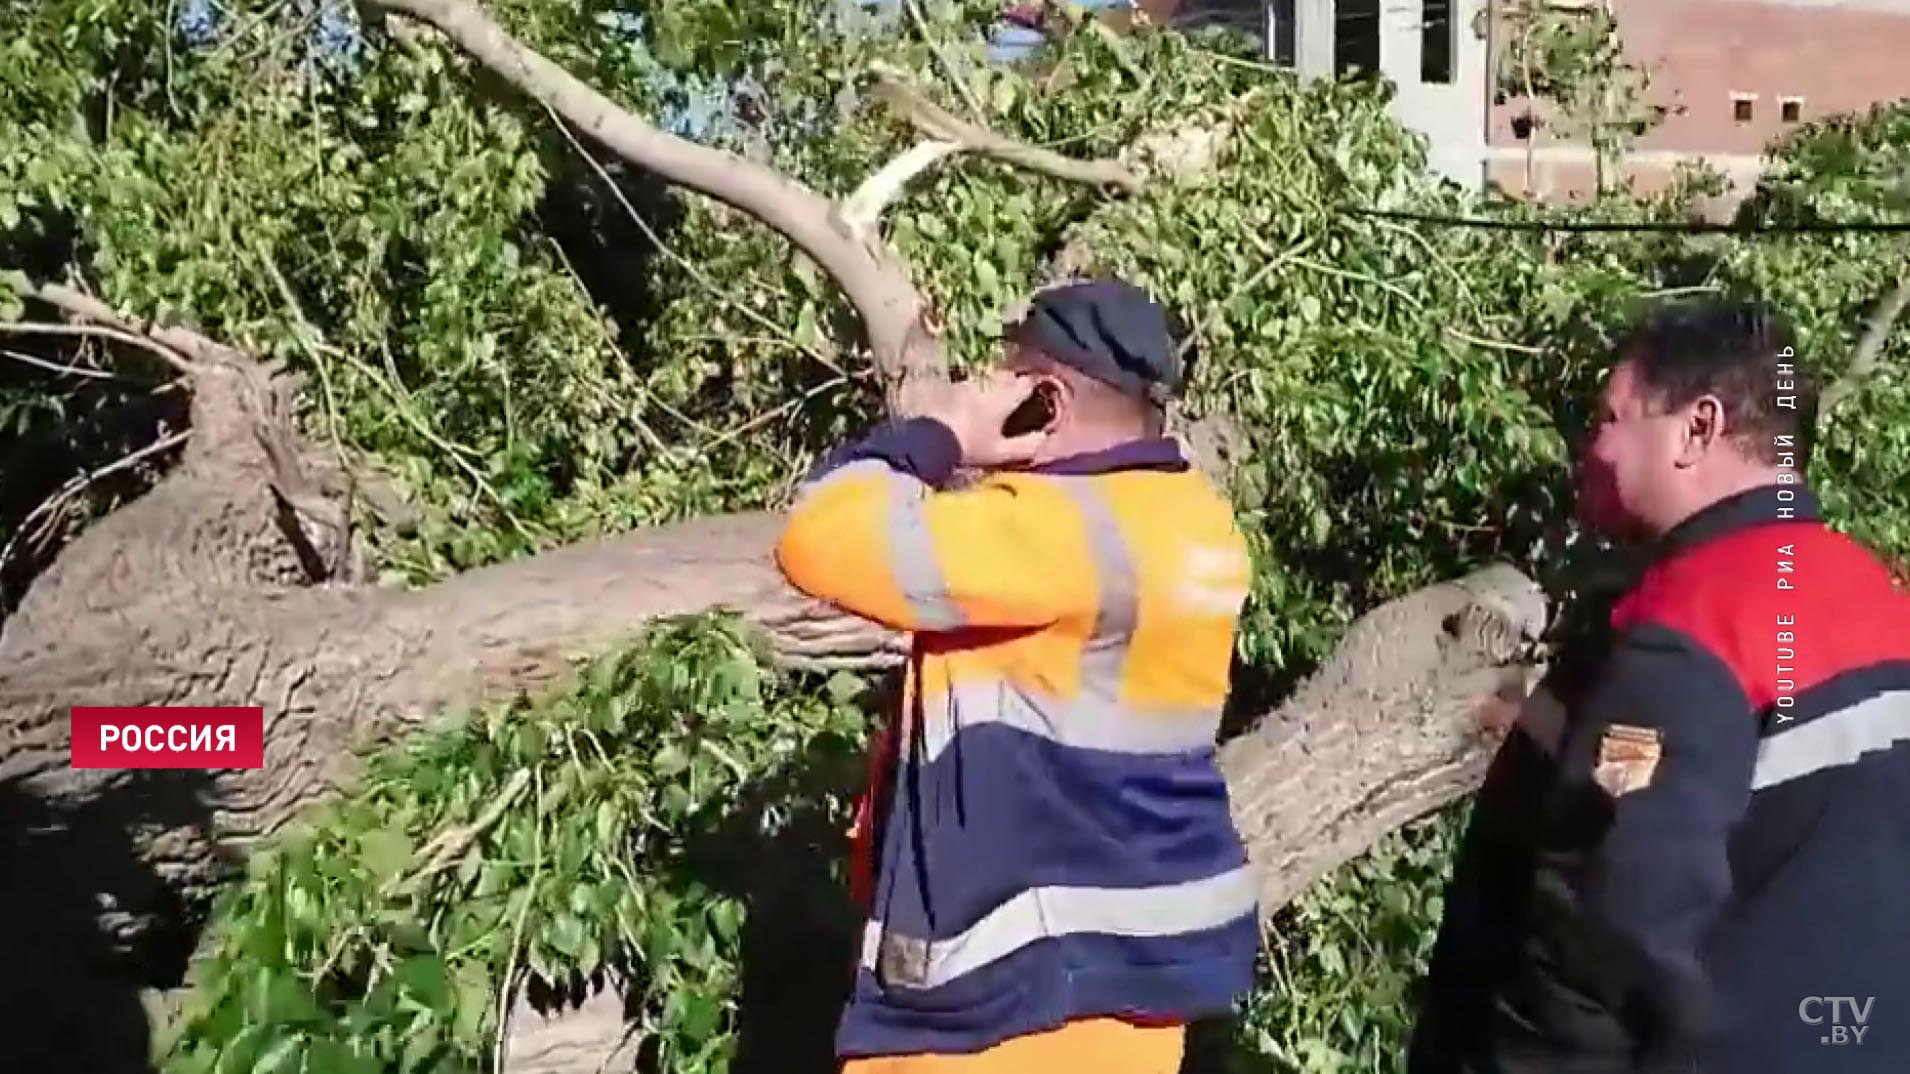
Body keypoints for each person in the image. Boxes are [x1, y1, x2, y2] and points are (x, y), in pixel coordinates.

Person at [1407, 298, 1910, 1073]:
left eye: (1610, 417)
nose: (1590, 447)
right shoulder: (1880, 597)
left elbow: (1606, 941)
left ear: (1697, 429)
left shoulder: (1685, 630)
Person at [774, 278, 1259, 1073]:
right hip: (1131, 982)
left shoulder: (1057, 530)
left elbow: (819, 535)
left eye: (1006, 379)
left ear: (1048, 400)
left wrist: (944, 433)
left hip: (1007, 1004)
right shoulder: (1191, 520)